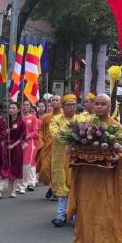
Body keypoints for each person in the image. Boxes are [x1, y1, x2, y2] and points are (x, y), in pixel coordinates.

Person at [66, 94, 122, 243]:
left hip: (105, 180)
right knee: (84, 213)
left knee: (103, 214)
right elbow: (74, 146)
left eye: (103, 104)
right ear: (93, 105)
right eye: (97, 104)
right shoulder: (85, 125)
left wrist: (119, 158)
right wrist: (71, 151)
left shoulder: (116, 127)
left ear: (110, 107)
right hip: (86, 177)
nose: (100, 107)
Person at [48, 94, 82, 226]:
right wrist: (72, 139)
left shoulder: (81, 119)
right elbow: (56, 134)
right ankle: (61, 216)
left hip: (77, 158)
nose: (72, 107)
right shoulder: (56, 119)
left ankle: (77, 216)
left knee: (77, 186)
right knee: (62, 187)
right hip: (61, 159)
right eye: (69, 105)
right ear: (62, 107)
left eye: (73, 105)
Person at [0, 102, 26, 198]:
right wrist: (6, 132)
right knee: (4, 166)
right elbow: (1, 134)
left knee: (15, 168)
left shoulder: (21, 122)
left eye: (14, 108)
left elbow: (23, 137)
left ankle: (12, 190)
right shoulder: (5, 121)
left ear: (18, 110)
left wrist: (13, 145)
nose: (11, 110)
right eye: (10, 108)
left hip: (16, 147)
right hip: (6, 145)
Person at [36, 95, 62, 199]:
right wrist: (41, 142)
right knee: (45, 168)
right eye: (53, 100)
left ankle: (55, 190)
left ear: (61, 102)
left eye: (57, 100)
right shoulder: (47, 117)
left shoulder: (64, 116)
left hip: (59, 147)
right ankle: (51, 186)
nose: (54, 102)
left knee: (57, 169)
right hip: (47, 145)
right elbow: (41, 131)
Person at [20, 99, 39, 193]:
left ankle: (28, 183)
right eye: (23, 105)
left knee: (28, 163)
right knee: (19, 162)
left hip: (29, 143)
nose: (25, 106)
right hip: (18, 143)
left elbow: (35, 131)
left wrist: (27, 136)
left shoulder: (33, 118)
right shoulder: (19, 117)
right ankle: (19, 184)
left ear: (30, 107)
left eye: (27, 105)